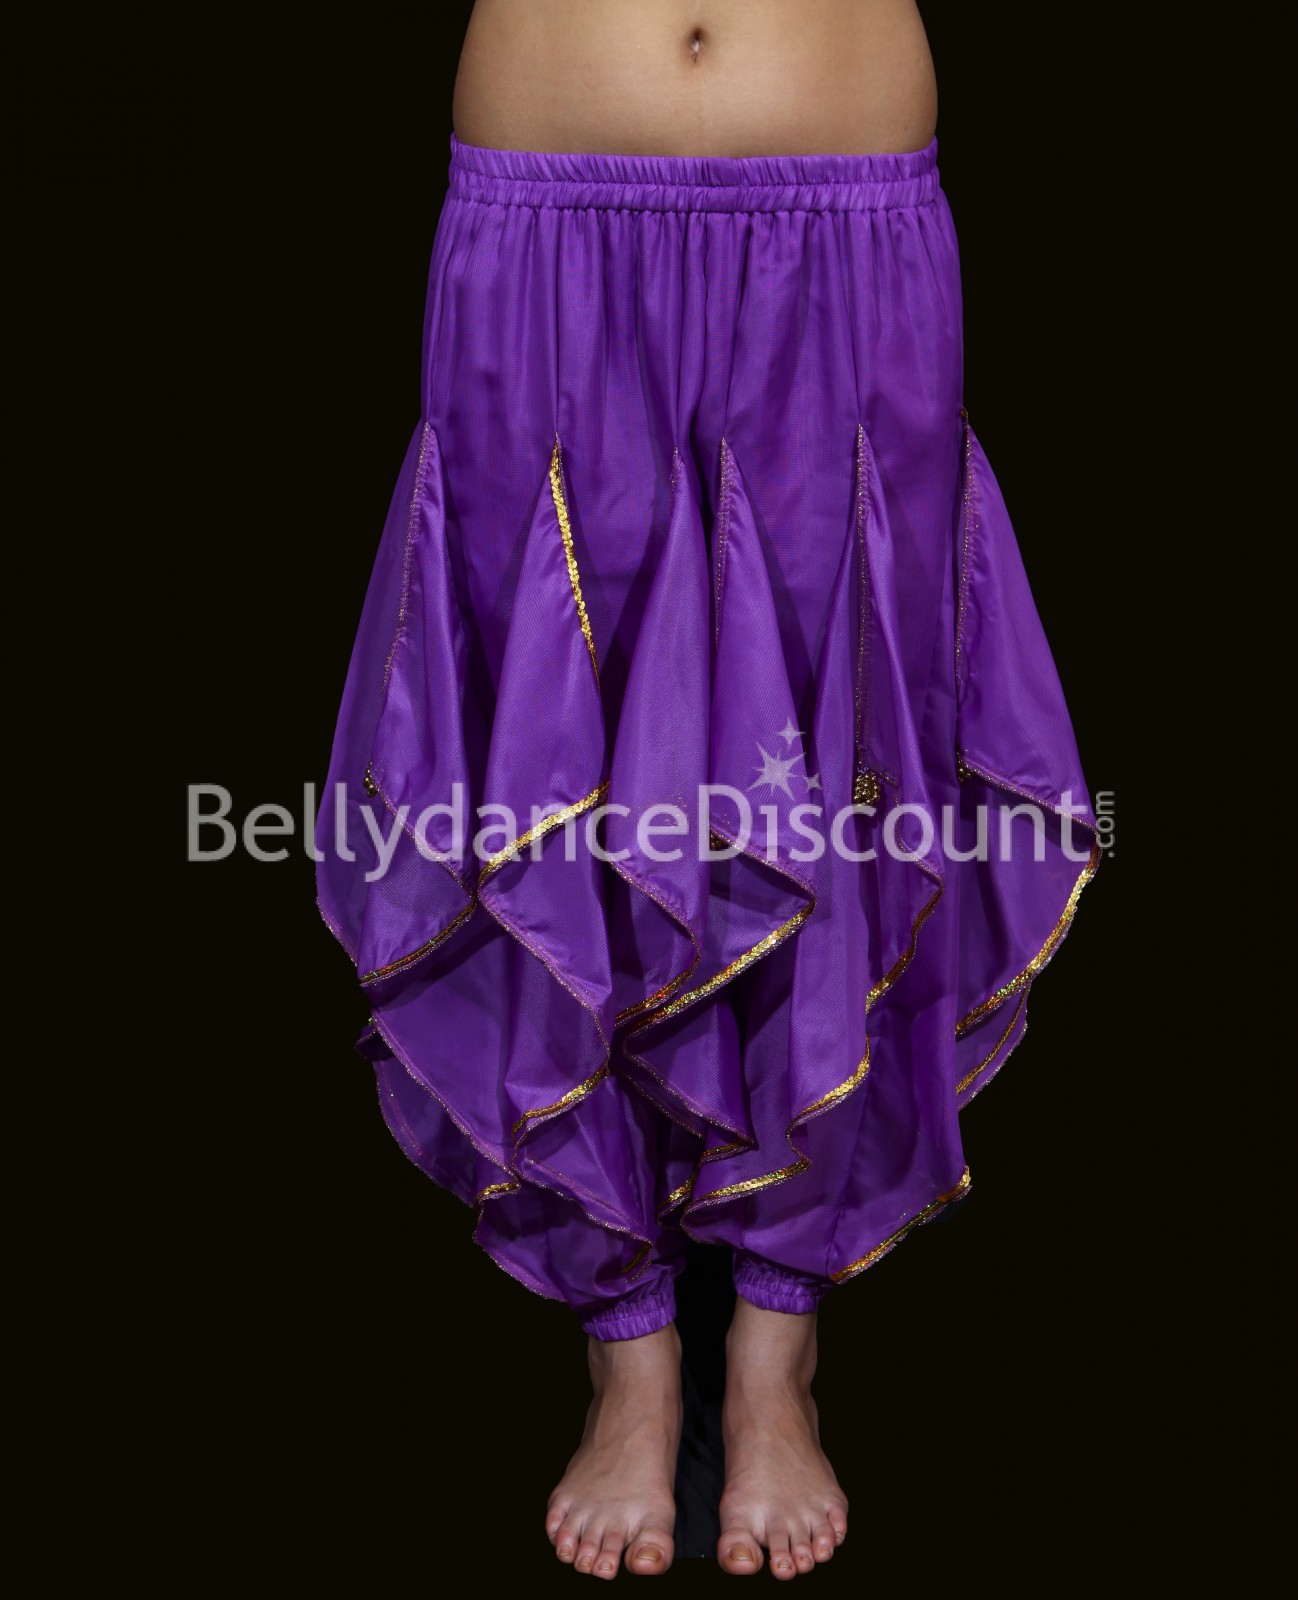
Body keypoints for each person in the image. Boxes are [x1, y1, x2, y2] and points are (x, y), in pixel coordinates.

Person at [315, 0, 1098, 1580]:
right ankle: (625, 1341)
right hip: (545, 220)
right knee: (560, 758)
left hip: (841, 218)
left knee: (834, 748)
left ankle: (775, 1344)